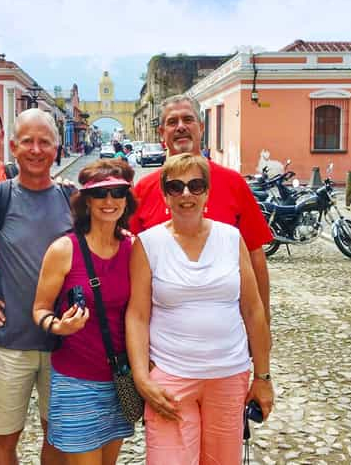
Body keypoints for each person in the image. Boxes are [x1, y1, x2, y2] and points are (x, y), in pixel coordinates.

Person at [126, 153, 273, 465]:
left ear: (207, 192)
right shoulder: (148, 243)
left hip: (228, 374)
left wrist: (263, 376)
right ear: (165, 195)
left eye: (195, 185)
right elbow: (137, 316)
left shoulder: (231, 238)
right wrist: (141, 377)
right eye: (176, 187)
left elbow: (253, 309)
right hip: (171, 377)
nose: (186, 195)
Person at [0, 109, 68, 465]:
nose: (36, 149)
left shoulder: (74, 202)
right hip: (9, 343)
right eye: (28, 141)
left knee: (57, 437)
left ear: (57, 148)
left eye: (44, 142)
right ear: (13, 146)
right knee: (3, 438)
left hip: (63, 347)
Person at [129, 94, 274, 324]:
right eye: (172, 122)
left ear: (201, 127)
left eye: (188, 119)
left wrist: (262, 322)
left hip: (226, 330)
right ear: (162, 133)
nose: (180, 127)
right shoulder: (144, 190)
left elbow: (255, 256)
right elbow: (129, 263)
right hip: (163, 333)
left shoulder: (233, 183)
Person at [33, 159, 137, 464]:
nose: (109, 201)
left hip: (120, 379)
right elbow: (39, 309)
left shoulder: (134, 248)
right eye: (100, 194)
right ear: (87, 201)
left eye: (117, 193)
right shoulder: (65, 249)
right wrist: (58, 326)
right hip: (77, 381)